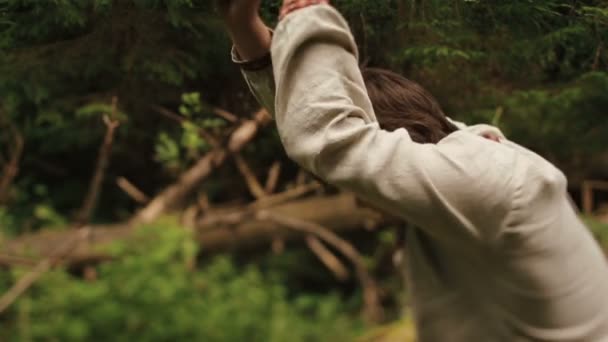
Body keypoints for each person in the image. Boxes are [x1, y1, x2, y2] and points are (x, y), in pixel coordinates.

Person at [218, 1, 608, 340]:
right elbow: (309, 113)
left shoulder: (484, 182)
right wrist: (245, 27)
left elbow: (332, 139)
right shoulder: (461, 158)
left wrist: (304, 11)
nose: (358, 198)